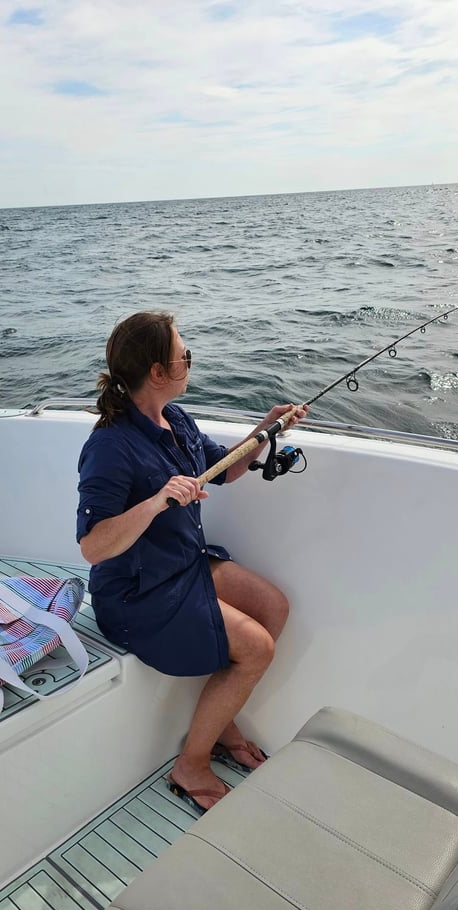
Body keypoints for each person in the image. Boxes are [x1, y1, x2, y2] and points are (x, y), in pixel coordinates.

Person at [76, 311, 307, 813]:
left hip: (184, 564)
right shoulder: (110, 447)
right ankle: (192, 763)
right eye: (185, 355)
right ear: (158, 372)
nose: (189, 363)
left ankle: (221, 721)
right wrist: (156, 501)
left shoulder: (175, 419)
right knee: (258, 649)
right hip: (138, 593)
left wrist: (267, 429)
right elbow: (92, 546)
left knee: (274, 607)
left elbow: (222, 472)